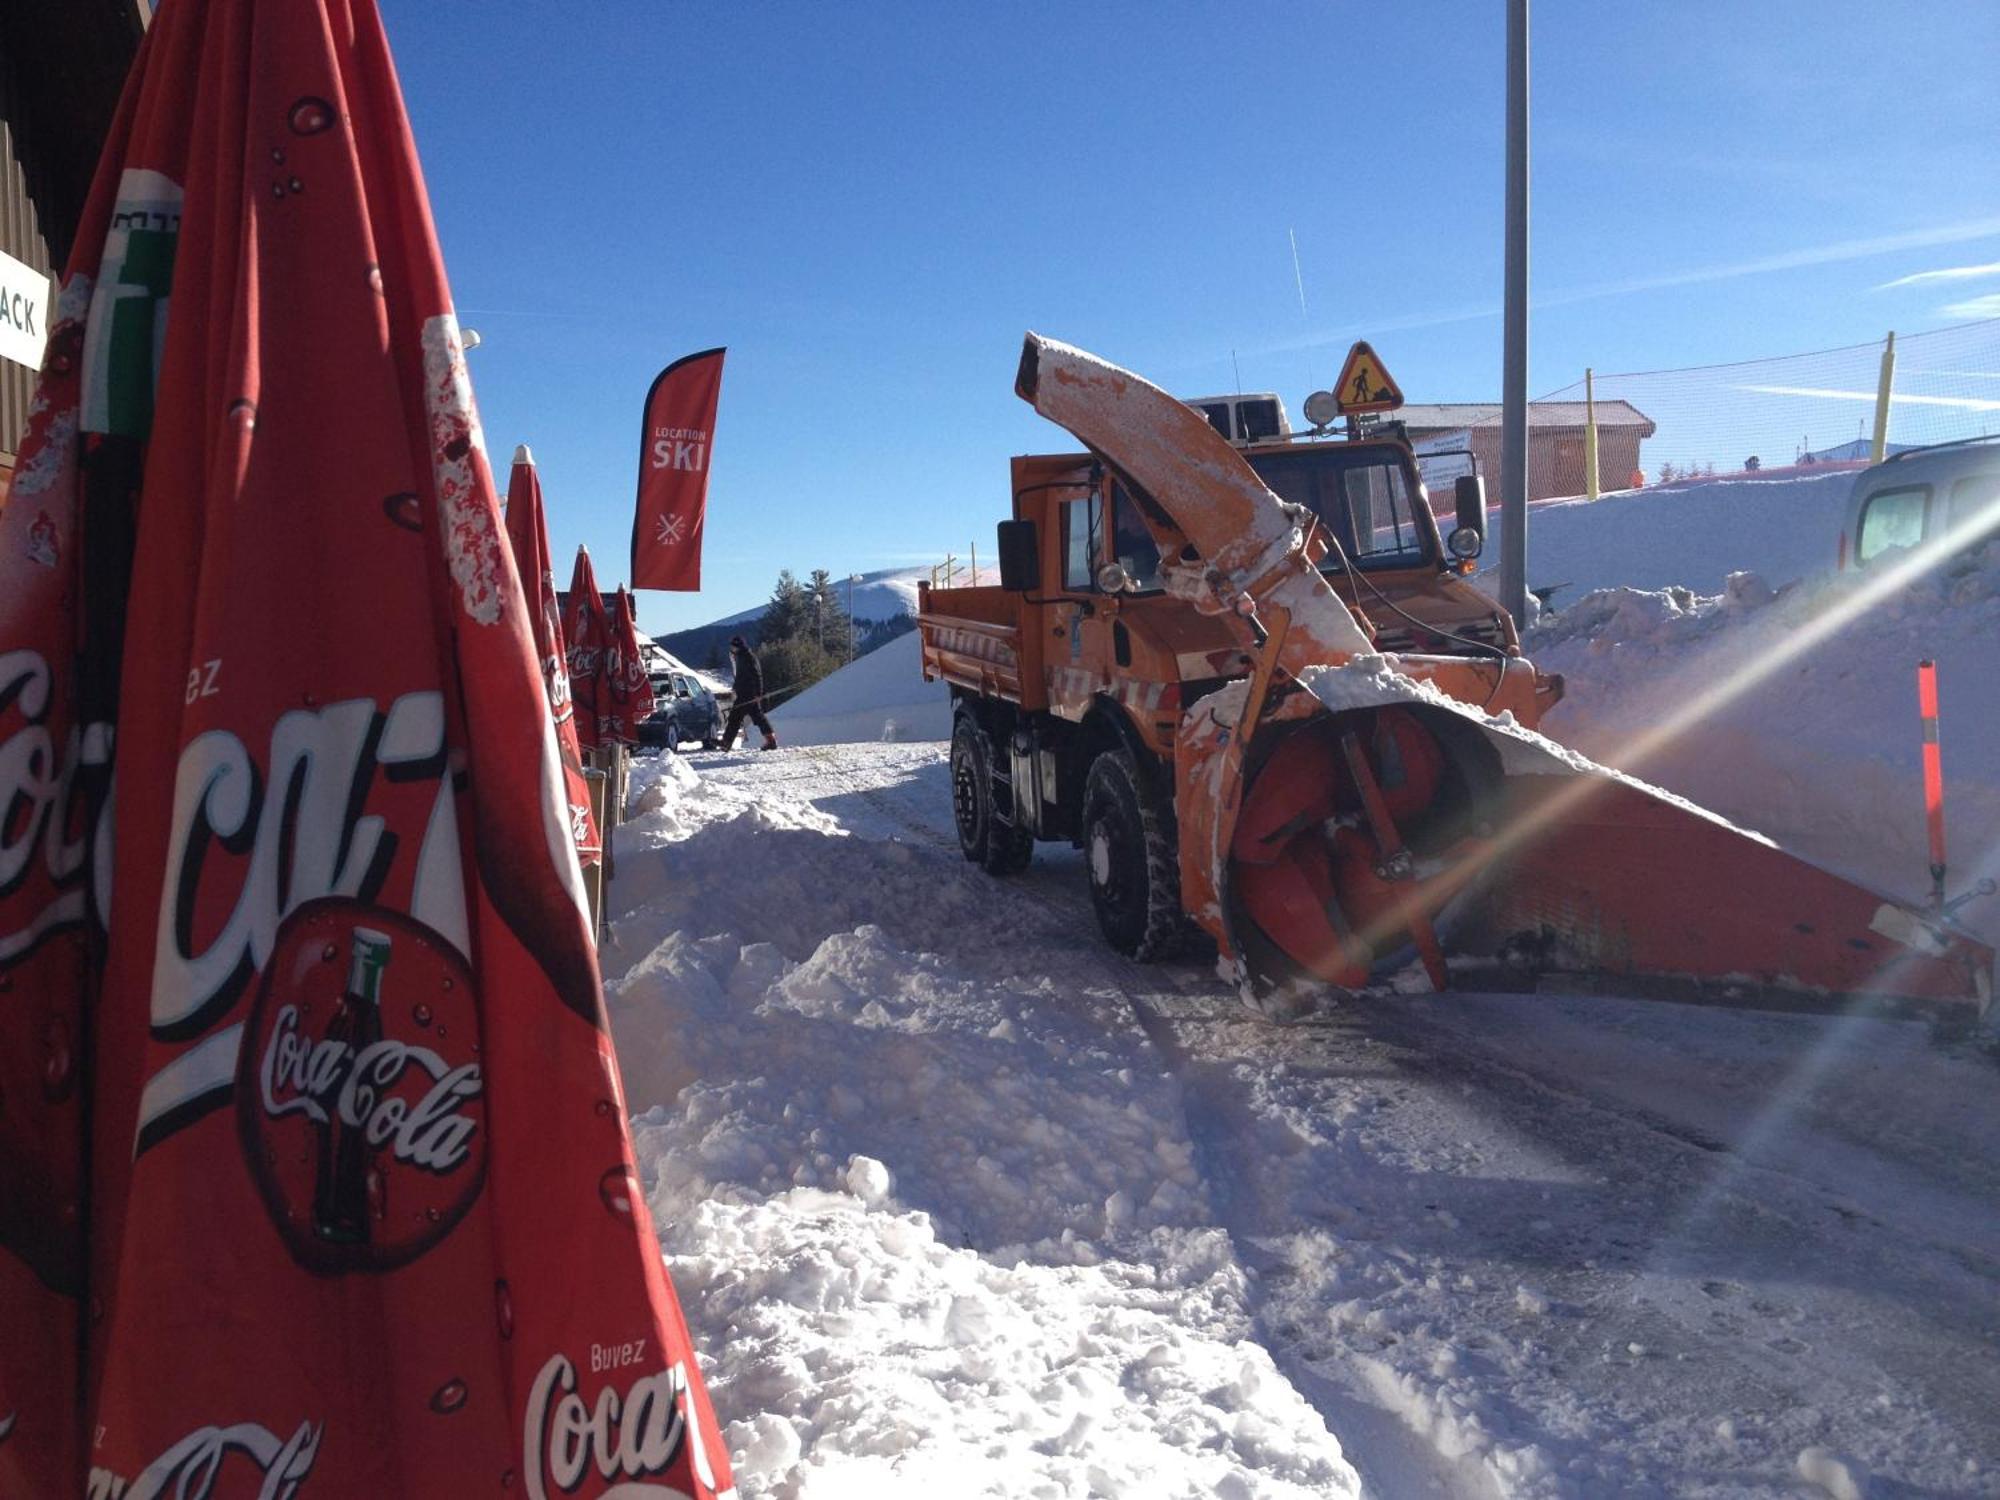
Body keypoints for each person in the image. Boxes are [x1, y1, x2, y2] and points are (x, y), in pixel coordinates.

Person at [719, 634, 778, 751]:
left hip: (749, 693)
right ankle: (771, 740)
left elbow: (757, 675)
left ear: (739, 646)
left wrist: (758, 693)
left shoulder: (749, 657)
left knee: (745, 717)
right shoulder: (740, 657)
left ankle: (727, 742)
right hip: (743, 693)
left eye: (733, 647)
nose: (732, 649)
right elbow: (740, 676)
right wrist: (736, 687)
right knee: (749, 717)